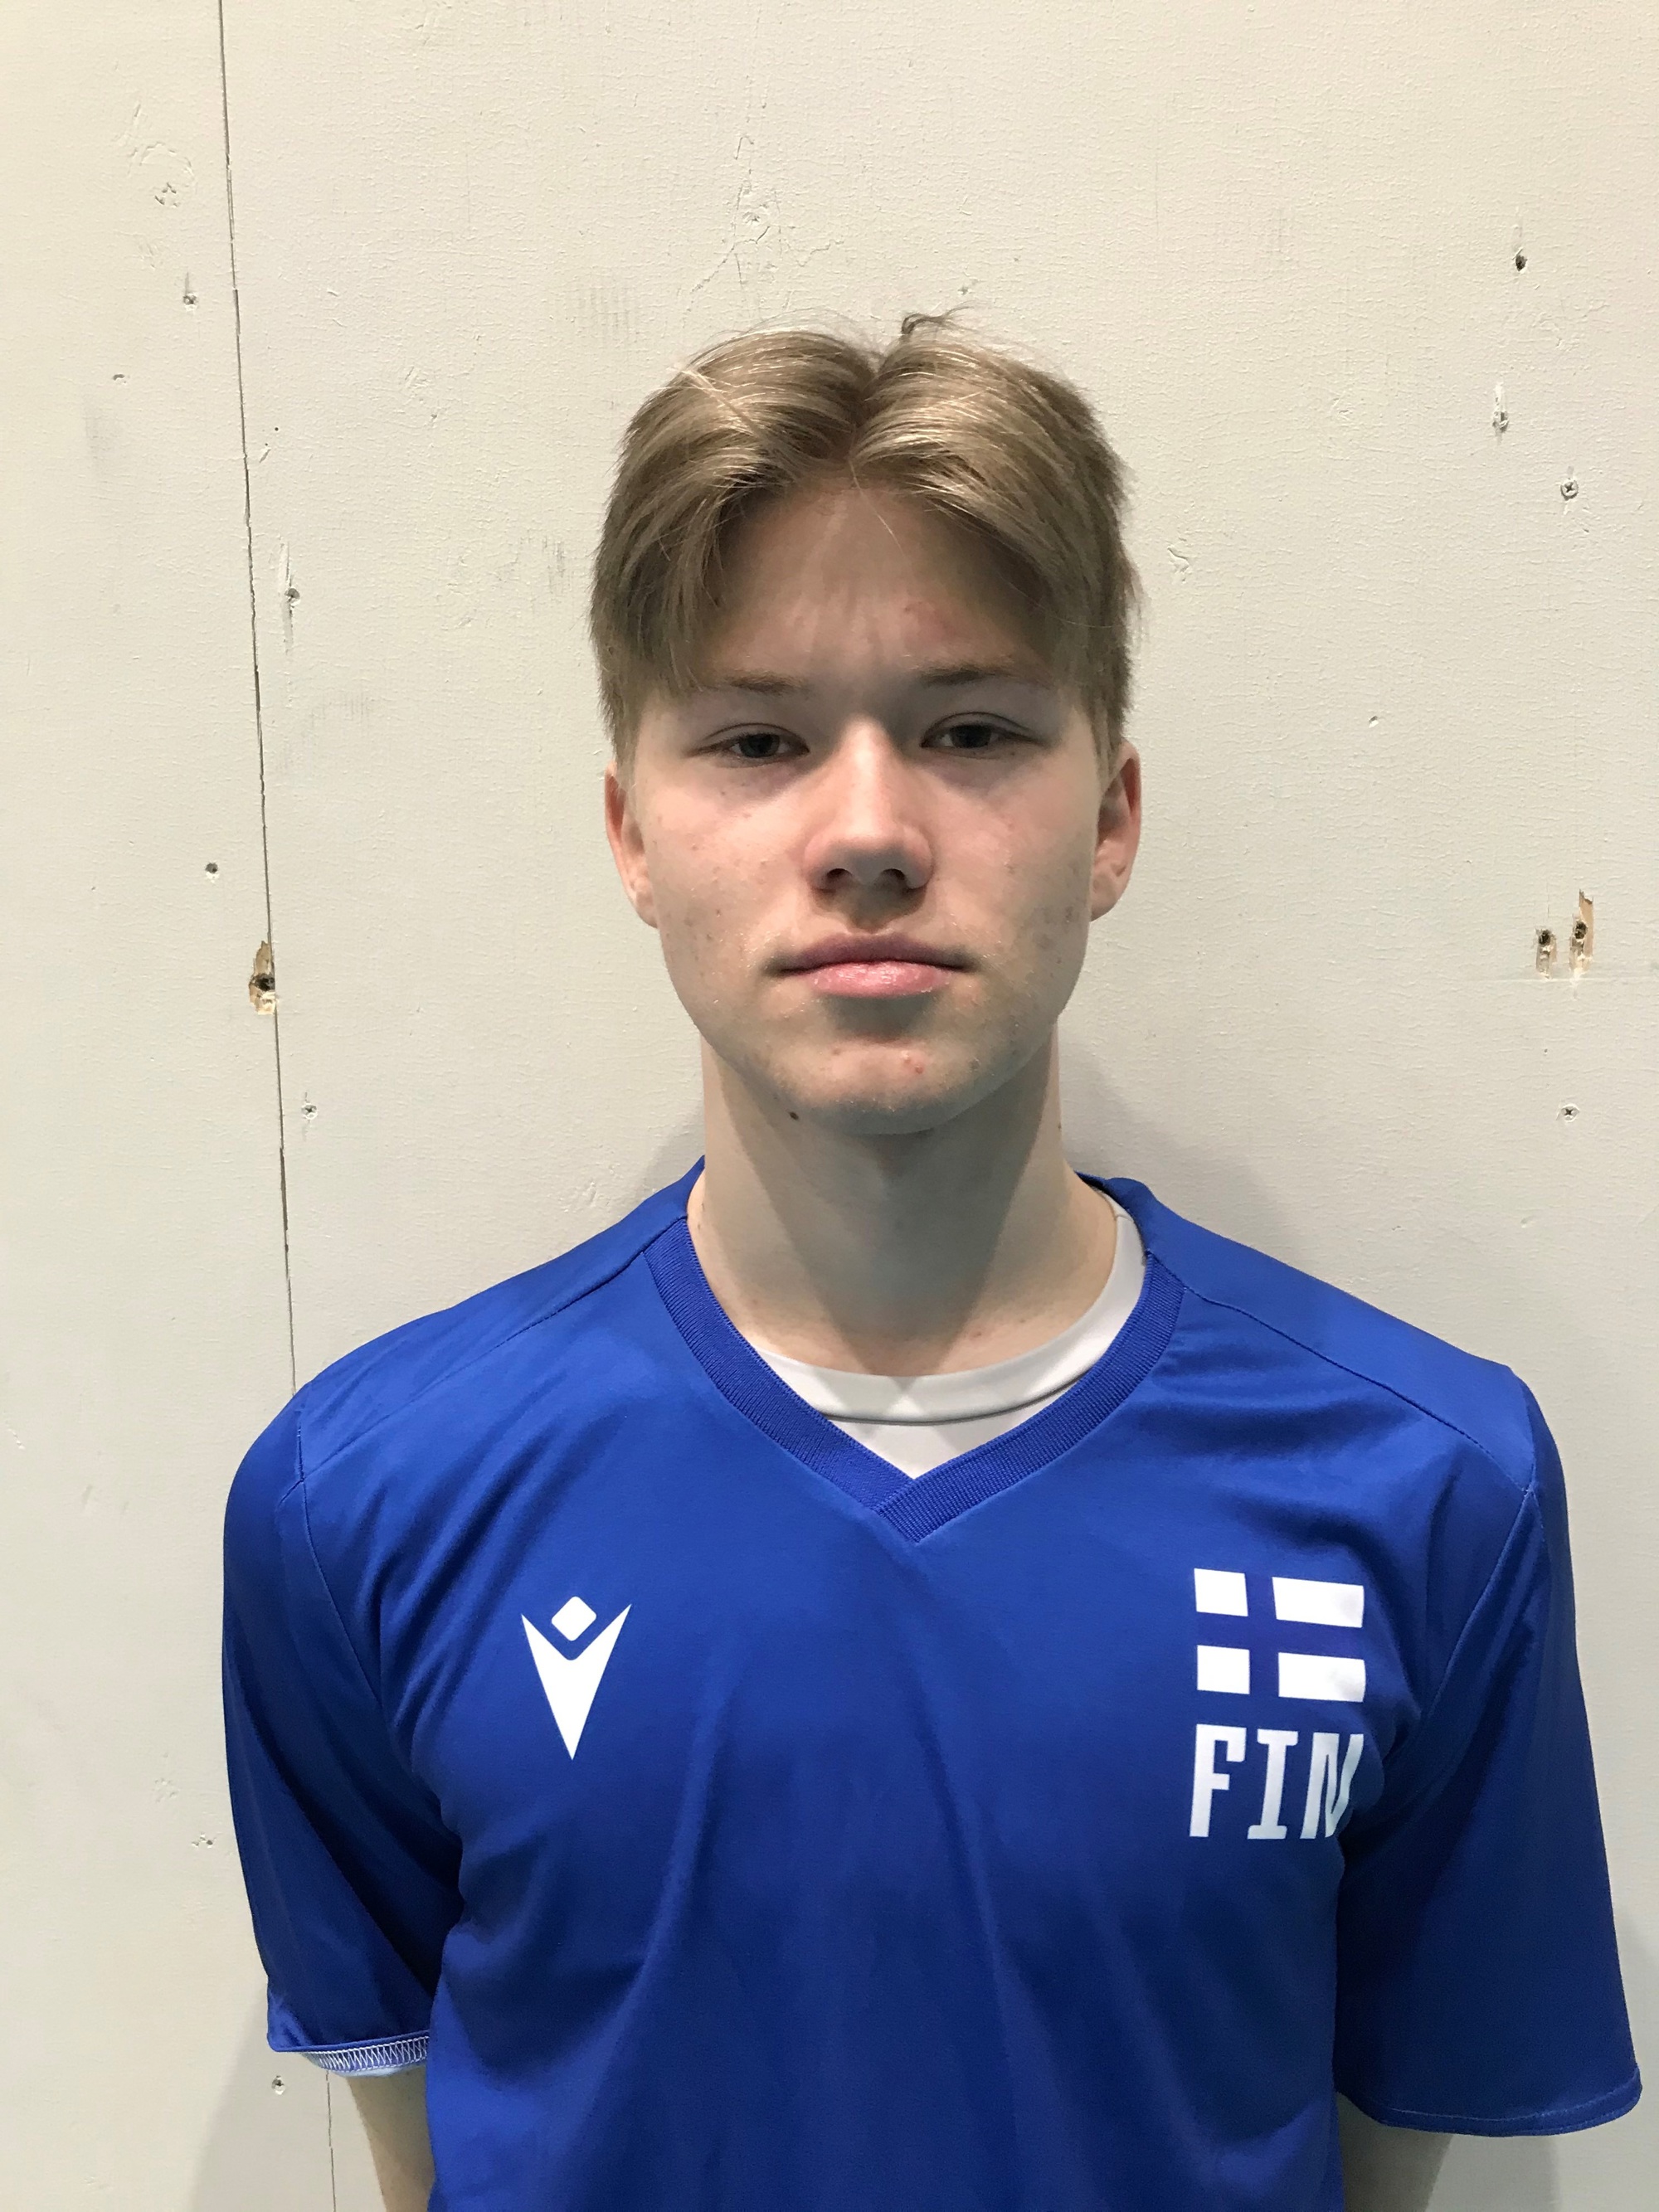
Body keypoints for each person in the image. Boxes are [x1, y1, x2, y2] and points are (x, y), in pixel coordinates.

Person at [221, 314, 1639, 2212]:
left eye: (971, 730)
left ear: (1109, 814)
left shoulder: (1424, 1487)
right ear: (633, 832)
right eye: (758, 737)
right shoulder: (364, 1504)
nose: (870, 830)